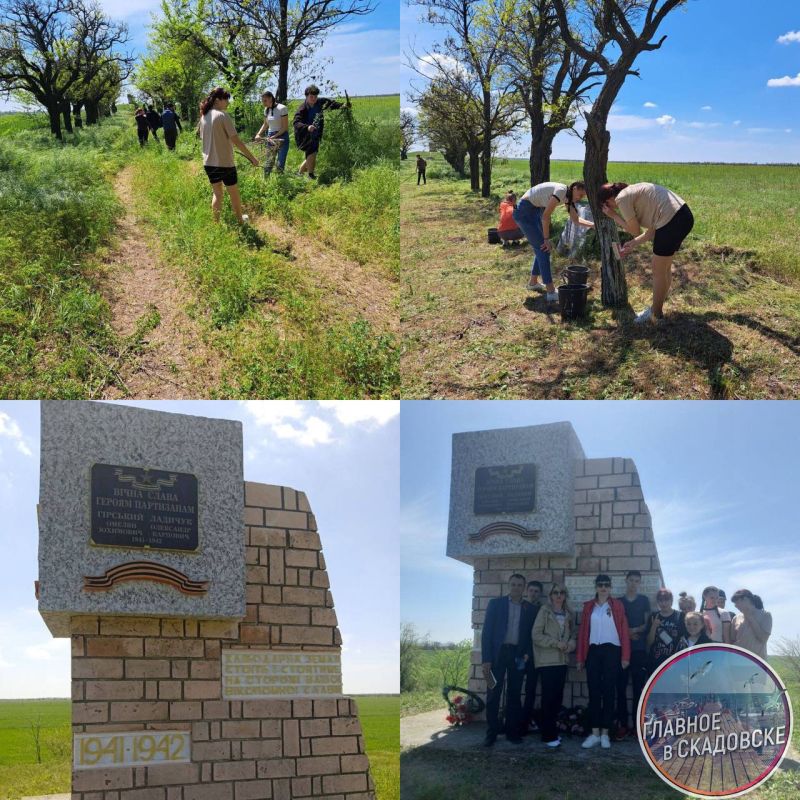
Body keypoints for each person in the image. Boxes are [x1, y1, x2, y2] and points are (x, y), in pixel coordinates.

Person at [598, 181, 694, 324]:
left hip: (672, 221)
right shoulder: (634, 191)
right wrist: (634, 243)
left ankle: (656, 314)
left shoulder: (621, 198)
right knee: (664, 268)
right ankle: (657, 306)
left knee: (658, 270)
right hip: (683, 216)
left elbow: (635, 230)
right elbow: (652, 230)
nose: (612, 208)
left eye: (607, 205)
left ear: (608, 201)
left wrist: (614, 216)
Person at [512, 181, 594, 302]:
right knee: (544, 249)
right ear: (575, 188)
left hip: (534, 211)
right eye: (580, 195)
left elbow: (576, 220)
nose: (580, 198)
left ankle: (533, 283)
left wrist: (594, 225)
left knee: (541, 249)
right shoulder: (561, 191)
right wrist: (546, 239)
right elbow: (546, 217)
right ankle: (551, 292)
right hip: (524, 212)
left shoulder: (568, 198)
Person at [480, 573, 536, 747]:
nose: (516, 588)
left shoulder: (529, 608)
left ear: (524, 588)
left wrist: (527, 653)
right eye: (513, 584)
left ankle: (512, 732)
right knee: (493, 693)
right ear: (508, 585)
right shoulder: (495, 604)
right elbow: (487, 633)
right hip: (496, 656)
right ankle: (492, 733)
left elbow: (531, 635)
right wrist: (486, 659)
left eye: (520, 585)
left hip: (517, 656)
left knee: (514, 694)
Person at [576, 574, 630, 749]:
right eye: (600, 584)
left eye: (607, 584)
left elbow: (623, 631)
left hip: (612, 651)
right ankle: (594, 733)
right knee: (594, 691)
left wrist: (625, 656)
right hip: (593, 651)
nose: (603, 587)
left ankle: (605, 733)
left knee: (608, 691)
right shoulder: (589, 607)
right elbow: (583, 633)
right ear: (596, 587)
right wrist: (580, 657)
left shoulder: (617, 605)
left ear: (611, 587)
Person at [197, 87, 259, 225]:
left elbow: (207, 139)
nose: (228, 103)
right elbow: (236, 140)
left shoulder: (204, 117)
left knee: (217, 194)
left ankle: (216, 224)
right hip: (225, 164)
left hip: (209, 163)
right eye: (226, 100)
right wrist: (252, 158)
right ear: (218, 100)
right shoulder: (222, 115)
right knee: (234, 193)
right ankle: (240, 221)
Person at [532, 583, 576, 748]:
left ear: (565, 596)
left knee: (557, 698)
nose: (559, 595)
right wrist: (555, 643)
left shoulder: (567, 614)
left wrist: (571, 643)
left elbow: (572, 633)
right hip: (547, 661)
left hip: (562, 661)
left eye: (562, 592)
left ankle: (552, 732)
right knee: (548, 698)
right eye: (555, 592)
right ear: (550, 596)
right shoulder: (544, 611)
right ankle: (547, 735)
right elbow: (535, 635)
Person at [616, 570, 651, 738]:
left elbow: (647, 623)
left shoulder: (644, 600)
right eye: (631, 580)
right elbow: (614, 623)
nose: (633, 583)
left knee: (638, 689)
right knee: (620, 689)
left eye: (637, 581)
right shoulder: (618, 601)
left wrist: (633, 630)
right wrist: (626, 633)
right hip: (621, 650)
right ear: (626, 580)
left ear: (640, 583)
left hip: (638, 650)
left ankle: (637, 727)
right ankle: (623, 725)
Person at [293, 84, 345, 180]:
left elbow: (332, 104)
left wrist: (343, 106)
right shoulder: (302, 108)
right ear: (306, 96)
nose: (314, 99)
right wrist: (307, 127)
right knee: (312, 152)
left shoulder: (320, 103)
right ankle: (310, 175)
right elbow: (296, 123)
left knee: (312, 153)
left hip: (316, 133)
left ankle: (300, 173)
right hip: (305, 135)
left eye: (315, 96)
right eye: (311, 97)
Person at [646, 588, 685, 671]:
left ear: (671, 600)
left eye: (666, 600)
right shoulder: (653, 616)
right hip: (656, 662)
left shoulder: (681, 616)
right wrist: (654, 626)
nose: (663, 603)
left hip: (675, 662)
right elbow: (649, 642)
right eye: (660, 600)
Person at [522, 580, 543, 732]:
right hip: (520, 655)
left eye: (536, 591)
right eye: (531, 590)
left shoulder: (541, 609)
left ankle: (526, 722)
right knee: (515, 689)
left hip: (535, 656)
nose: (533, 593)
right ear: (527, 591)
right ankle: (514, 721)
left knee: (531, 690)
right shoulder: (521, 607)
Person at [255, 91, 290, 175]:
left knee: (280, 162)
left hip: (282, 136)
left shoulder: (282, 108)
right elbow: (265, 124)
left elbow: (285, 127)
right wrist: (258, 134)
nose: (263, 103)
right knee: (269, 161)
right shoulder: (266, 110)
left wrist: (275, 136)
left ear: (271, 98)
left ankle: (280, 181)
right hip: (270, 136)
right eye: (262, 101)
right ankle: (266, 181)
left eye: (265, 100)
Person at [730, 589, 772, 659]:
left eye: (737, 602)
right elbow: (732, 640)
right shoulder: (736, 618)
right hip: (737, 661)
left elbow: (763, 638)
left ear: (746, 599)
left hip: (757, 662)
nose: (735, 606)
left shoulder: (765, 615)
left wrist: (749, 617)